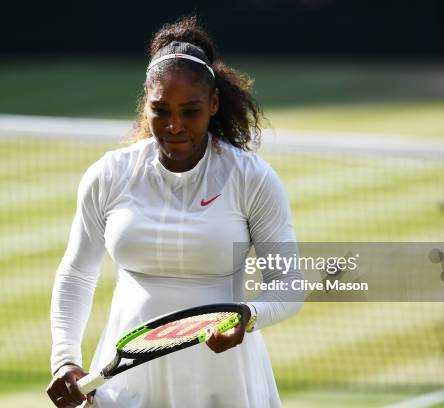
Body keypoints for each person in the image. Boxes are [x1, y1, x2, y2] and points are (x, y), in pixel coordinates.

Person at [46, 16, 303, 408]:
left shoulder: (252, 178)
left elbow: (288, 284)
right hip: (127, 382)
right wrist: (64, 358)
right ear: (144, 105)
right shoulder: (110, 173)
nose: (174, 125)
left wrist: (246, 316)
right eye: (161, 110)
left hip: (225, 378)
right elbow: (77, 272)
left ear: (214, 104)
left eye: (190, 111)